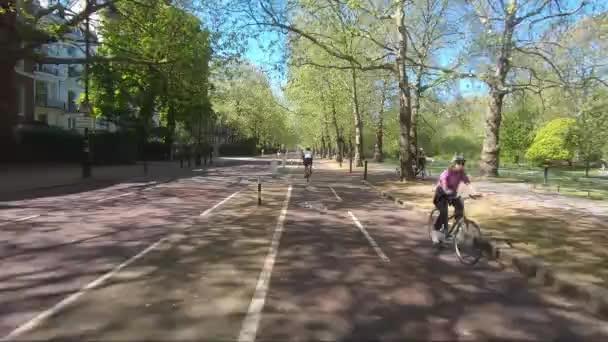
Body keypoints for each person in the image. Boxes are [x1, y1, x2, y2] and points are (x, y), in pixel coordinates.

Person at [432, 154, 479, 245]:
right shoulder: (446, 173)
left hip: (453, 194)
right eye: (459, 163)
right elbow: (444, 185)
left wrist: (474, 193)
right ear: (454, 164)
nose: (461, 165)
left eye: (463, 163)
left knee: (460, 208)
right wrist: (447, 191)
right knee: (443, 212)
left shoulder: (461, 173)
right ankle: (435, 232)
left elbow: (468, 184)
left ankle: (458, 230)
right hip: (441, 194)